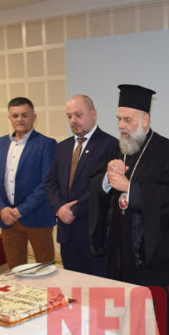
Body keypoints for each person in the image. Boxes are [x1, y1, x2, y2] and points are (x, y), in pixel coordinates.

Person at [90, 84, 169, 335]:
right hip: (121, 250)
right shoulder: (117, 148)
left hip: (153, 252)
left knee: (157, 310)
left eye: (127, 120)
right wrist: (107, 179)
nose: (121, 125)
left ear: (145, 119)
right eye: (118, 119)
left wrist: (130, 188)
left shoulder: (166, 150)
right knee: (125, 308)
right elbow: (97, 185)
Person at [45, 95, 117, 276]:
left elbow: (103, 186)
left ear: (93, 114)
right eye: (69, 116)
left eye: (78, 115)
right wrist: (59, 208)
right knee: (73, 284)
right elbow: (50, 181)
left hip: (94, 233)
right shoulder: (62, 147)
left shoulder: (110, 145)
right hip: (67, 232)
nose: (73, 120)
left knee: (99, 287)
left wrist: (74, 210)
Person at [0, 97, 56, 269]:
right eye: (15, 115)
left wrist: (20, 210)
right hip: (8, 219)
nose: (20, 119)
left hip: (37, 217)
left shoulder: (46, 144)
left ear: (34, 117)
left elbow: (46, 183)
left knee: (45, 268)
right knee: (15, 269)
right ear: (9, 118)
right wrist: (1, 209)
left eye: (25, 115)